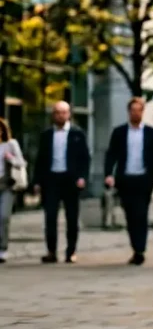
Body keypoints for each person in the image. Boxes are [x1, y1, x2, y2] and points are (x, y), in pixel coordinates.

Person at [104, 97, 153, 265]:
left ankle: (140, 249)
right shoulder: (120, 132)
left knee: (141, 214)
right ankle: (135, 246)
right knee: (130, 214)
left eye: (139, 110)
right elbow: (111, 154)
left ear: (142, 112)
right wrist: (109, 174)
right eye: (133, 110)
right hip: (126, 179)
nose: (136, 113)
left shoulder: (152, 133)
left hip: (144, 179)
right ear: (128, 112)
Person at [34, 101, 90, 263]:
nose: (60, 115)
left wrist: (82, 177)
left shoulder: (77, 134)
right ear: (53, 115)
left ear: (69, 114)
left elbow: (85, 158)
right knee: (50, 217)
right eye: (57, 112)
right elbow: (40, 159)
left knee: (72, 218)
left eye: (64, 112)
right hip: (51, 179)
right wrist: (37, 181)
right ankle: (51, 251)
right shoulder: (46, 135)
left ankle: (71, 251)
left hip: (70, 180)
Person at [0, 118, 26, 264]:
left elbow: (22, 162)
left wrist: (10, 158)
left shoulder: (11, 144)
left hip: (6, 186)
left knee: (4, 217)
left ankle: (2, 249)